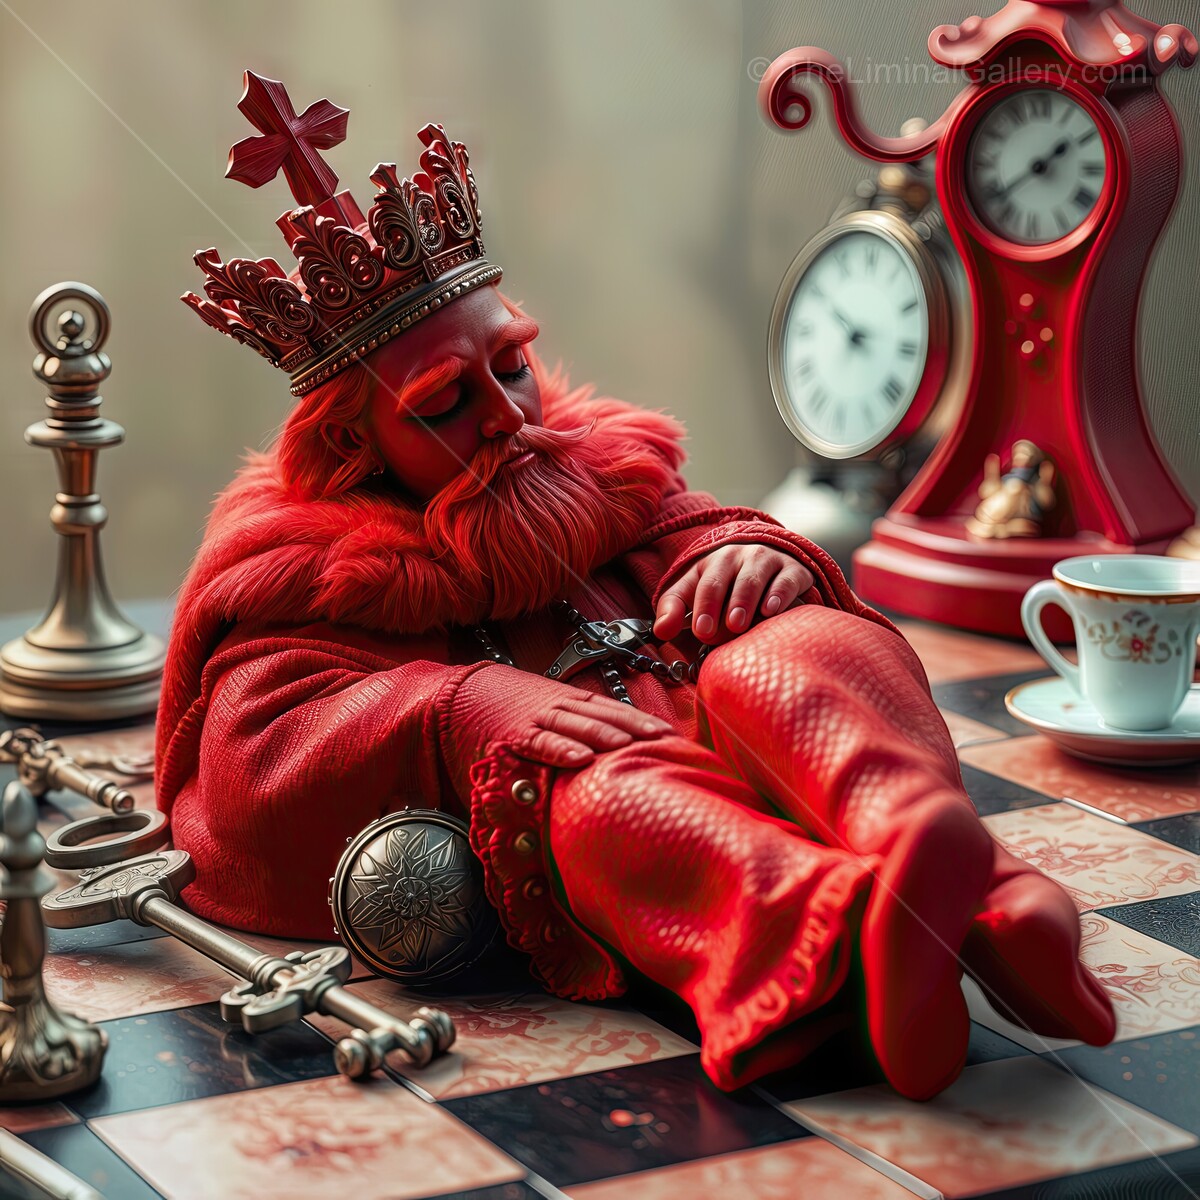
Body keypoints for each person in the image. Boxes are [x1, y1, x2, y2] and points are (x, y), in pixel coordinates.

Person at [159, 77, 1115, 1100]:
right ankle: (835, 940)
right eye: (446, 403)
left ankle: (933, 852)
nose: (507, 416)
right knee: (594, 799)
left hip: (725, 720)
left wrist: (759, 554)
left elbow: (690, 530)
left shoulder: (596, 470)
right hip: (608, 791)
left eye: (512, 366)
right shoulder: (298, 570)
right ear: (356, 443)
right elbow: (257, 768)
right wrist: (459, 708)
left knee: (789, 652)